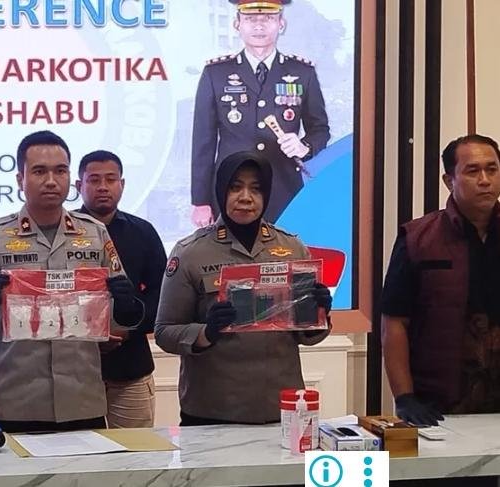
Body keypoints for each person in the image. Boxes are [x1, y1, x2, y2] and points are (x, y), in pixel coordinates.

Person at [0, 130, 143, 434]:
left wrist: (125, 304)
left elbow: (118, 320)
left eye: (60, 171)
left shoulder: (95, 234)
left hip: (83, 400)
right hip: (18, 401)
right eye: (40, 171)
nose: (52, 181)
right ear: (20, 179)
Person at [156, 150, 332, 425]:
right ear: (221, 190)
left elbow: (306, 335)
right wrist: (206, 332)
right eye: (235, 187)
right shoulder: (190, 252)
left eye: (256, 189)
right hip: (212, 412)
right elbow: (165, 331)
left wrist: (319, 313)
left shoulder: (292, 248)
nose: (246, 197)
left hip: (280, 409)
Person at [381, 134, 500, 427]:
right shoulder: (418, 239)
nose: (485, 180)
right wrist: (404, 397)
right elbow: (394, 322)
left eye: (492, 169)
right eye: (473, 171)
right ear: (449, 181)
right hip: (437, 405)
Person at [190, 0, 329, 227]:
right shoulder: (216, 74)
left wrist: (305, 146)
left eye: (268, 18)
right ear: (237, 24)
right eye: (250, 18)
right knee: (231, 249)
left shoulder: (302, 72)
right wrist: (200, 201)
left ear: (281, 24)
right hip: (231, 190)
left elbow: (320, 128)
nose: (259, 26)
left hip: (284, 190)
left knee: (284, 249)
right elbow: (203, 143)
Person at [76, 150, 167, 428]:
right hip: (75, 371)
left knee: (134, 452)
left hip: (131, 367)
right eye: (94, 180)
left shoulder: (143, 232)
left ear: (122, 184)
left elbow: (163, 296)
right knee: (78, 452)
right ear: (79, 186)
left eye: (110, 179)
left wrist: (127, 330)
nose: (103, 187)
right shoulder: (62, 233)